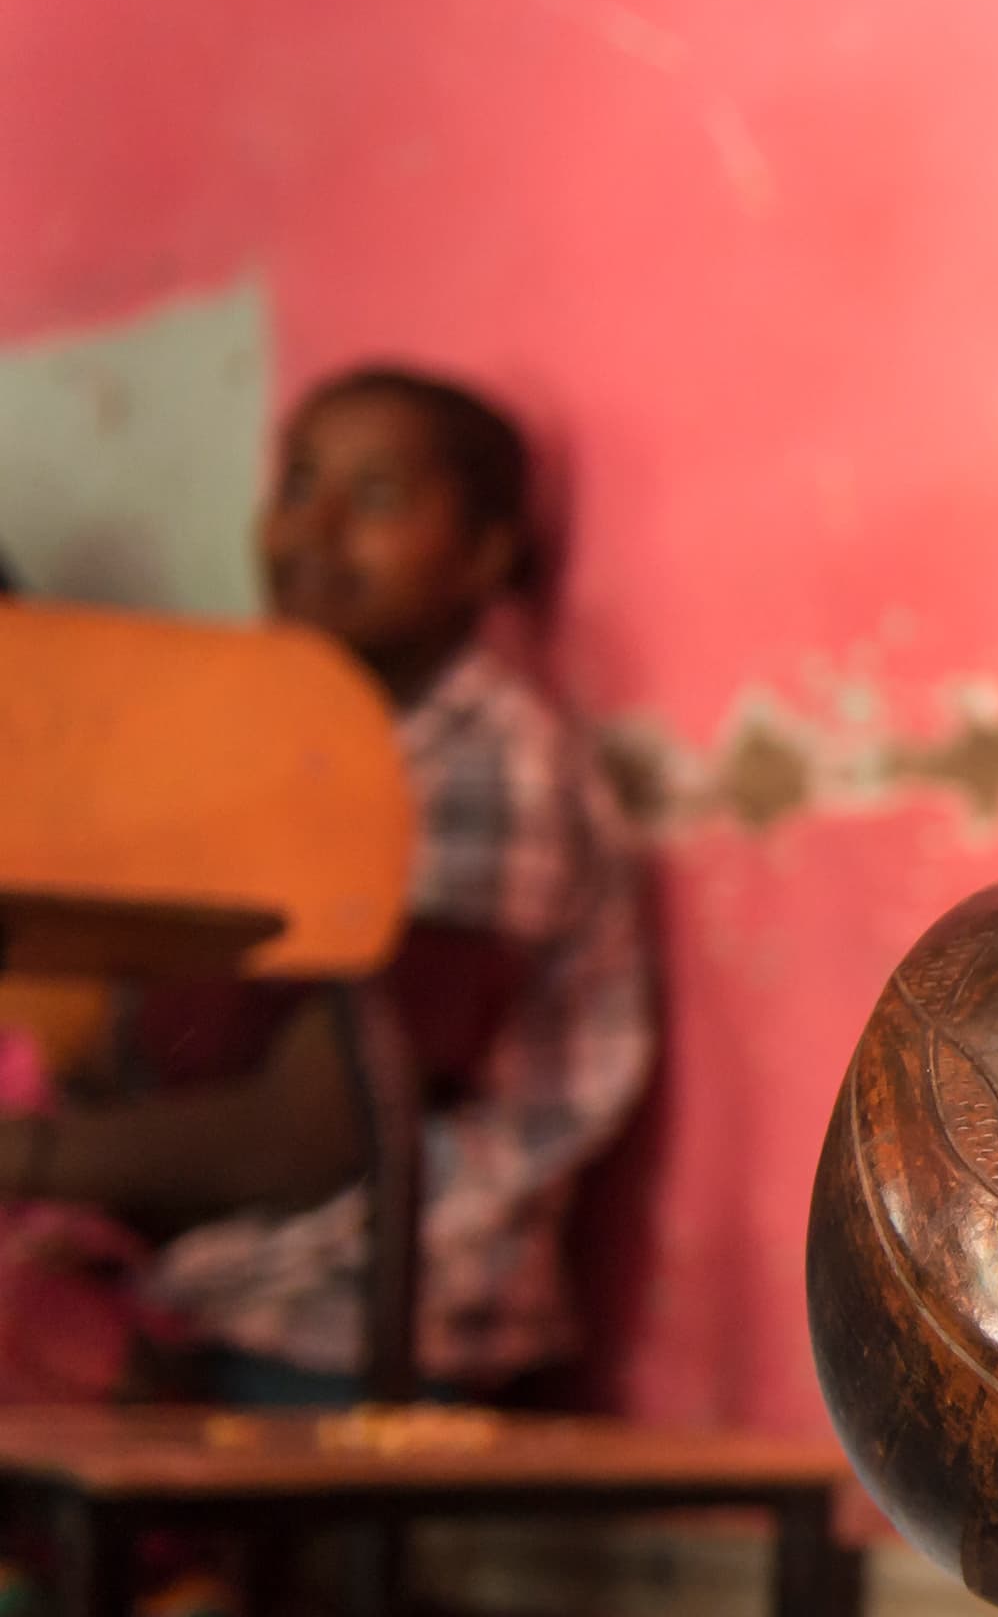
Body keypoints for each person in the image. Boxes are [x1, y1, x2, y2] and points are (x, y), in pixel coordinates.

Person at [0, 367, 654, 1404]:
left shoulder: (490, 762)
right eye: (298, 486)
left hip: (376, 1327)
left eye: (378, 500)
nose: (316, 529)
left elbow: (327, 1125)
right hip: (232, 1291)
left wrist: (28, 1162)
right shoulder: (307, 752)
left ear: (485, 557)